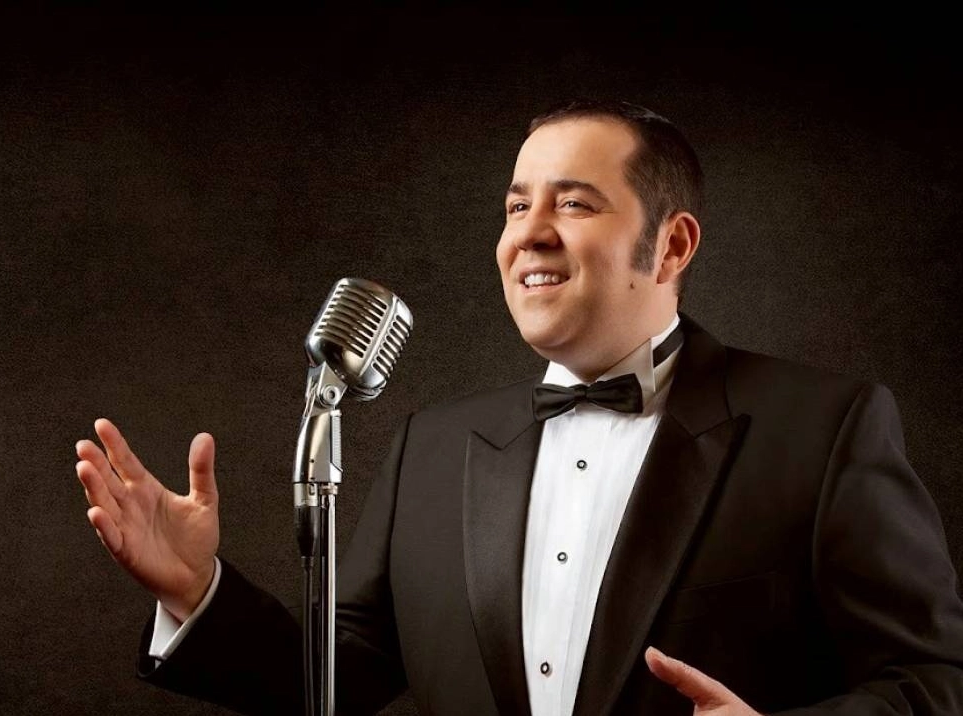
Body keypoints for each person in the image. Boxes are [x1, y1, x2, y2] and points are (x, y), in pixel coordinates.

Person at [74, 100, 963, 715]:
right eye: (515, 205)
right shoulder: (431, 447)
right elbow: (331, 686)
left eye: (573, 203)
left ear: (671, 245)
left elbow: (935, 682)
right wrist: (197, 593)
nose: (529, 233)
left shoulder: (824, 428)